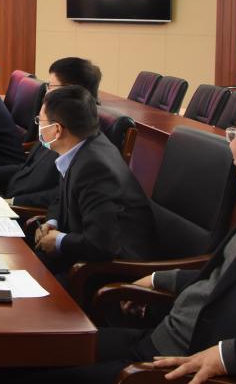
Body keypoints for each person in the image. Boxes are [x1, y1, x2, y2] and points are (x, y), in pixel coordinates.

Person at [14, 83, 236, 383]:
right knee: (18, 354)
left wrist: (229, 356)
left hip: (184, 364)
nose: (231, 142)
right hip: (160, 336)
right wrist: (160, 278)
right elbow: (228, 277)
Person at [33, 85, 156, 273]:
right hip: (84, 253)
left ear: (57, 129)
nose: (39, 126)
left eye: (40, 121)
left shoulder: (94, 168)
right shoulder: (82, 146)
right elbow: (62, 197)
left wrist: (59, 241)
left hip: (114, 270)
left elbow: (101, 243)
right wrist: (52, 222)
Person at [0, 57, 102, 208]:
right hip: (8, 193)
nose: (46, 93)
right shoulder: (53, 124)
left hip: (22, 208)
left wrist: (12, 203)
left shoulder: (73, 136)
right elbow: (29, 169)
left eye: (50, 86)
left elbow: (61, 195)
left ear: (70, 90)